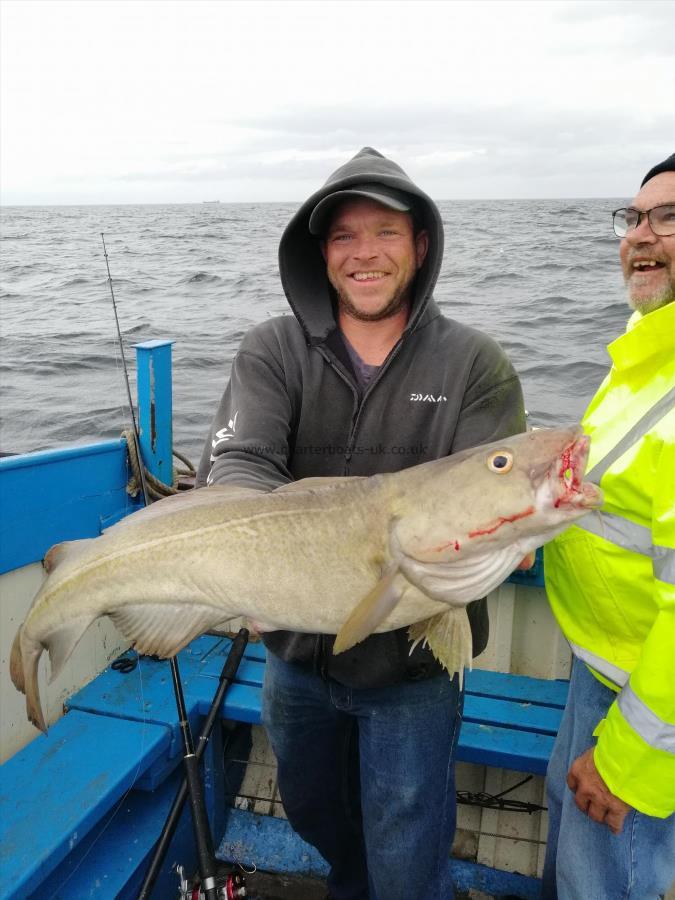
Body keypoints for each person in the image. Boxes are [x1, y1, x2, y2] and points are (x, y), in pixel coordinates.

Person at [197, 146, 526, 900]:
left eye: (385, 231)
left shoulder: (474, 363)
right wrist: (256, 540)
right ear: (321, 254)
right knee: (316, 815)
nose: (364, 253)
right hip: (294, 661)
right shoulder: (272, 348)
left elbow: (492, 503)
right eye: (344, 236)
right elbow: (239, 460)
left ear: (420, 244)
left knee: (408, 849)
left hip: (412, 666)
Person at [542, 153, 675, 899]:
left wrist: (628, 758)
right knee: (571, 854)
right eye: (634, 217)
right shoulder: (642, 355)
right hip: (598, 667)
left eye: (669, 217)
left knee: (602, 882)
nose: (642, 235)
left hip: (648, 708)